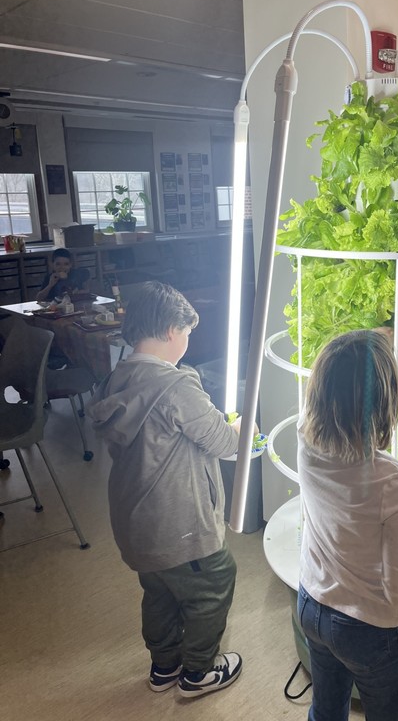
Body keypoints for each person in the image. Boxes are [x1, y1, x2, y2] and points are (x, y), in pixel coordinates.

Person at [87, 281, 251, 699]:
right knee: (213, 583)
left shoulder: (115, 380)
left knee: (158, 591)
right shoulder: (176, 387)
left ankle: (164, 666)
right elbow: (226, 444)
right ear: (168, 331)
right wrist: (234, 427)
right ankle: (198, 672)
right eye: (187, 333)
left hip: (136, 522)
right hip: (179, 523)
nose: (188, 341)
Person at [297, 329, 398, 721]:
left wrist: (370, 343)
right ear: (386, 404)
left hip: (310, 603)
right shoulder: (394, 481)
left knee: (325, 711)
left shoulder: (305, 437)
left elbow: (338, 375)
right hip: (366, 629)